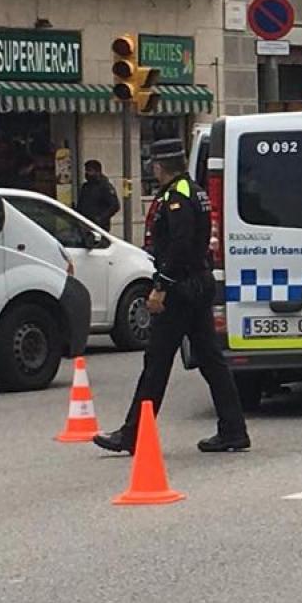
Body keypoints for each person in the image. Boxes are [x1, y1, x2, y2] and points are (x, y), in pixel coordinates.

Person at [95, 138, 250, 455]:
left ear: (159, 165)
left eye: (153, 163)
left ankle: (132, 435)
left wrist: (161, 286)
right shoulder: (193, 190)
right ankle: (234, 430)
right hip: (196, 283)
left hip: (181, 288)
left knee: (157, 362)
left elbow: (180, 244)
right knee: (210, 360)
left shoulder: (177, 195)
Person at [77, 159, 120, 231]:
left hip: (100, 227)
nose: (87, 173)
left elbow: (115, 206)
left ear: (97, 172)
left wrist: (101, 218)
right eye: (86, 170)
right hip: (85, 225)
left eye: (90, 171)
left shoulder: (105, 186)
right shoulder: (86, 186)